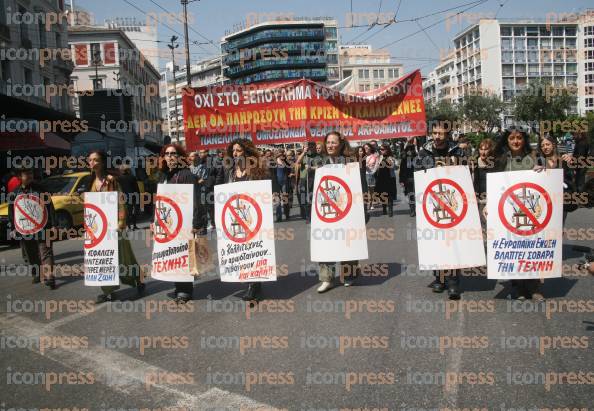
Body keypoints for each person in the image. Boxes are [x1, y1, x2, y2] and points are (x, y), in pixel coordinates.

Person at [85, 150, 145, 303]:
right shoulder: (89, 182)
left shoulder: (111, 180)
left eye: (96, 160)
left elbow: (120, 200)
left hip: (115, 226)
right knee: (104, 258)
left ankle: (138, 279)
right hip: (99, 229)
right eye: (90, 160)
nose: (92, 162)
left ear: (103, 162)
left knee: (125, 257)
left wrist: (121, 222)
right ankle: (108, 291)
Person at [415, 122, 465, 299]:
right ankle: (439, 278)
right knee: (436, 241)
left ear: (447, 134)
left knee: (453, 243)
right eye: (434, 133)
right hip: (432, 204)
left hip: (453, 204)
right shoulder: (423, 152)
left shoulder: (458, 151)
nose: (436, 137)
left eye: (440, 133)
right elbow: (418, 174)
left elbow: (466, 174)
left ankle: (453, 282)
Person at [316, 131, 369, 293]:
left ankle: (349, 275)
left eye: (333, 142)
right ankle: (327, 279)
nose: (330, 145)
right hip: (327, 209)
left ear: (341, 144)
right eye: (328, 142)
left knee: (348, 241)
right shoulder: (320, 162)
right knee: (326, 243)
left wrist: (364, 208)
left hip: (348, 208)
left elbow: (361, 185)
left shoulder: (350, 162)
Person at [153, 144, 207, 304]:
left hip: (185, 223)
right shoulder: (163, 176)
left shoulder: (187, 175)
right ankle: (179, 286)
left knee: (185, 254)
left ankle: (185, 289)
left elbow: (197, 200)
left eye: (173, 154)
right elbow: (159, 201)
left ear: (180, 157)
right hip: (169, 223)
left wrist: (197, 222)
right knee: (173, 254)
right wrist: (153, 221)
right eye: (167, 154)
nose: (170, 157)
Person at [494, 128, 543, 301]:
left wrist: (540, 170)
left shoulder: (533, 156)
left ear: (524, 140)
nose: (515, 141)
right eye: (512, 138)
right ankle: (520, 288)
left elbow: (543, 180)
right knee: (515, 249)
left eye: (519, 138)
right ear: (507, 141)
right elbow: (495, 184)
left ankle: (534, 288)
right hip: (510, 210)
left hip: (531, 208)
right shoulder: (502, 159)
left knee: (533, 248)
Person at [223, 138, 269, 301]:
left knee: (253, 250)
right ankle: (252, 282)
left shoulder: (256, 170)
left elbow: (264, 194)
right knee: (243, 251)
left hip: (253, 217)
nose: (235, 154)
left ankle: (253, 285)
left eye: (239, 151)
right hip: (236, 217)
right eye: (233, 151)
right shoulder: (230, 172)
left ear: (247, 152)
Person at [8, 166, 56, 289]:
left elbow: (50, 207)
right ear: (19, 177)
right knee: (31, 253)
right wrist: (14, 228)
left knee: (46, 251)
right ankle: (37, 273)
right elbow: (12, 212)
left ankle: (49, 276)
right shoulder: (14, 193)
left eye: (31, 173)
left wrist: (54, 225)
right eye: (26, 174)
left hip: (43, 226)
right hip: (25, 229)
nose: (30, 175)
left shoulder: (41, 189)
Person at [472, 138, 496, 230]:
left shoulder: (495, 163)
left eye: (486, 149)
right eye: (481, 149)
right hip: (480, 201)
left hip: (493, 200)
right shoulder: (474, 163)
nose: (483, 152)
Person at [296, 141, 323, 222]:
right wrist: (304, 152)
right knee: (303, 198)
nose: (310, 148)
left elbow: (320, 167)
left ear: (314, 147)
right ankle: (306, 214)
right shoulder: (304, 155)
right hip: (303, 179)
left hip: (313, 179)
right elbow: (298, 162)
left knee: (311, 199)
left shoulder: (318, 157)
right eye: (309, 147)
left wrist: (311, 168)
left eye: (312, 147)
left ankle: (310, 217)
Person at [375, 144, 397, 217]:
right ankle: (384, 208)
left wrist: (390, 161)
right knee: (383, 194)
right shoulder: (380, 157)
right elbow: (376, 167)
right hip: (381, 178)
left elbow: (394, 167)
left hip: (390, 178)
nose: (381, 151)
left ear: (387, 150)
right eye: (380, 149)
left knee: (390, 195)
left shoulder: (391, 157)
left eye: (382, 149)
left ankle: (390, 209)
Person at [399, 137, 418, 217]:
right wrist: (401, 180)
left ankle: (418, 208)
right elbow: (402, 170)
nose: (409, 151)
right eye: (408, 150)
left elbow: (419, 155)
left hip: (417, 177)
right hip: (408, 179)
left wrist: (415, 146)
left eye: (411, 150)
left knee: (417, 194)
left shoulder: (416, 156)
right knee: (411, 195)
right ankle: (412, 210)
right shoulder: (404, 158)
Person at [118, 165, 140, 230]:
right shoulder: (132, 177)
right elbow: (136, 188)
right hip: (134, 196)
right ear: (128, 170)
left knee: (128, 212)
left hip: (125, 197)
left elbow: (119, 189)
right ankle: (134, 225)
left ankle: (128, 226)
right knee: (135, 211)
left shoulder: (119, 178)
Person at [364, 143, 380, 210]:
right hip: (364, 174)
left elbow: (377, 165)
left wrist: (373, 172)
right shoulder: (362, 156)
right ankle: (367, 204)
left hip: (371, 175)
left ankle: (371, 203)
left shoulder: (375, 156)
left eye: (367, 147)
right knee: (366, 191)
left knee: (371, 191)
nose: (366, 149)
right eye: (365, 148)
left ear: (370, 148)